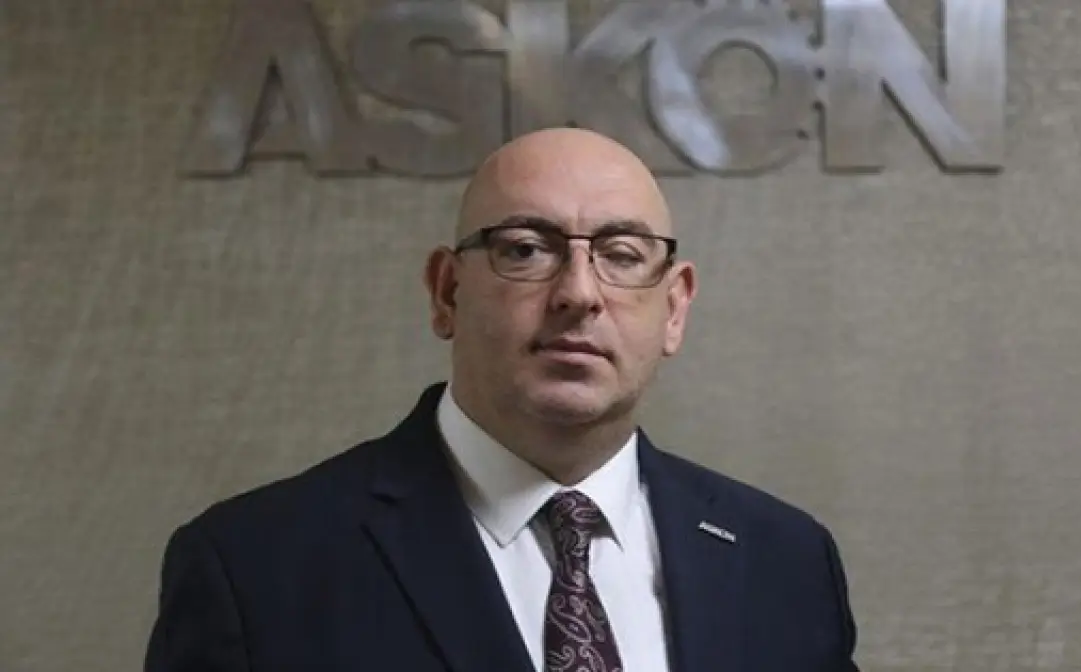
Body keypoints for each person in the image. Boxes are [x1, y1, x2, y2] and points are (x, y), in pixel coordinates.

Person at [144, 128, 861, 672]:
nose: (578, 293)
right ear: (446, 292)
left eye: (621, 255)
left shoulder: (786, 561)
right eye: (525, 249)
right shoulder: (255, 567)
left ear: (674, 309)